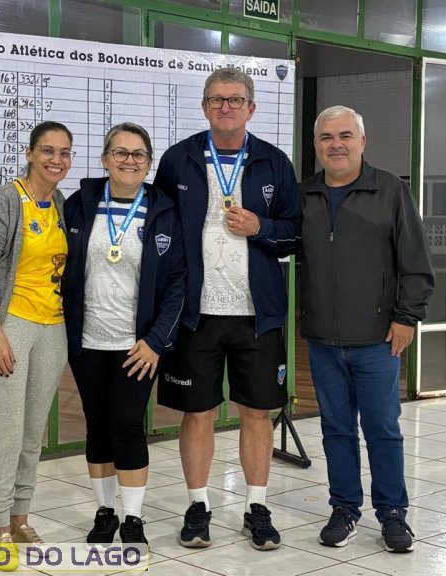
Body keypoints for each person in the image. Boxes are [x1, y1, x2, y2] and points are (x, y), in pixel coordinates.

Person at [155, 67, 301, 551]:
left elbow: (295, 233)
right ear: (204, 106)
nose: (226, 107)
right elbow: (161, 230)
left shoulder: (274, 162)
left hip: (257, 314)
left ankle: (256, 508)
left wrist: (261, 227)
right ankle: (197, 506)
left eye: (235, 99)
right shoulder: (178, 160)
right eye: (217, 99)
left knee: (257, 413)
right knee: (197, 414)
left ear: (251, 108)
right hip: (195, 313)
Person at [298, 105, 435, 553]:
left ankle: (392, 513)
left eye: (345, 136)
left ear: (362, 141)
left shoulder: (390, 190)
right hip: (323, 339)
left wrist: (407, 317)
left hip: (378, 339)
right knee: (336, 429)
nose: (335, 144)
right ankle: (344, 509)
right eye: (326, 137)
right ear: (316, 145)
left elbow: (414, 261)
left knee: (382, 428)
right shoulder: (304, 195)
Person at [61, 122, 186, 550]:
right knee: (98, 426)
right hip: (87, 342)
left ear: (149, 164)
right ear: (105, 159)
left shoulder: (164, 211)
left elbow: (178, 283)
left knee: (128, 425)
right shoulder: (80, 205)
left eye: (138, 154)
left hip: (138, 346)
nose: (129, 160)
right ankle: (105, 511)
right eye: (120, 152)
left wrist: (156, 340)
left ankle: (133, 517)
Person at [0, 121, 75, 543]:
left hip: (52, 328)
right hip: (9, 324)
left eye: (64, 153)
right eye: (47, 150)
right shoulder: (6, 200)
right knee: (8, 431)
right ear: (29, 153)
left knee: (33, 432)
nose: (56, 160)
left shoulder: (60, 202)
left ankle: (20, 517)